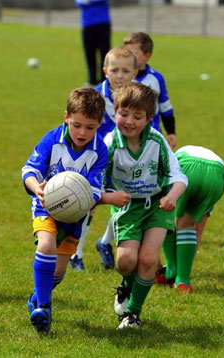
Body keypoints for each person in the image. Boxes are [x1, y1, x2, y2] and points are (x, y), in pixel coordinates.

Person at [21, 87, 108, 333]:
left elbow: (94, 189)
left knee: (59, 269)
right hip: (45, 205)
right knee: (46, 244)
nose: (82, 132)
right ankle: (45, 309)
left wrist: (83, 201)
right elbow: (29, 170)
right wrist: (37, 188)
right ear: (66, 116)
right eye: (77, 125)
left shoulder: (100, 151)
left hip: (75, 215)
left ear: (100, 124)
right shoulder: (52, 139)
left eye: (90, 127)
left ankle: (36, 298)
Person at [106, 82, 187, 329]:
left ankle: (132, 314)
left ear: (149, 119)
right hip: (127, 207)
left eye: (137, 116)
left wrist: (172, 196)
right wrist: (108, 197)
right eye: (123, 114)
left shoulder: (156, 141)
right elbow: (98, 180)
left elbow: (179, 177)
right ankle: (126, 284)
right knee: (126, 262)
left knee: (149, 258)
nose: (129, 121)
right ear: (115, 112)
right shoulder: (110, 143)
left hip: (157, 205)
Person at [70, 45, 137, 271]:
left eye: (125, 71)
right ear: (105, 71)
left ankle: (105, 241)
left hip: (127, 161)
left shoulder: (139, 98)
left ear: (135, 73)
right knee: (89, 203)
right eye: (115, 70)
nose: (120, 75)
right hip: (98, 159)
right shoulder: (95, 97)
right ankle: (75, 254)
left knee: (126, 198)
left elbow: (149, 125)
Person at [155, 145, 224, 292]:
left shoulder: (176, 156)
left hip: (186, 164)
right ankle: (183, 280)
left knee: (164, 216)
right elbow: (198, 232)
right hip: (218, 174)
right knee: (188, 226)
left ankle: (171, 267)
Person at [123, 32, 177, 149]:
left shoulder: (156, 79)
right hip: (126, 135)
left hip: (152, 136)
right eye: (126, 53)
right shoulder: (121, 79)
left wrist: (170, 131)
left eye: (133, 54)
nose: (129, 57)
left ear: (147, 56)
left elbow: (165, 107)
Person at [75, 0, 111, 86]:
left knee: (104, 52)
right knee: (89, 52)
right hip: (87, 23)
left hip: (102, 22)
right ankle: (92, 79)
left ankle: (104, 79)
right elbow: (79, 2)